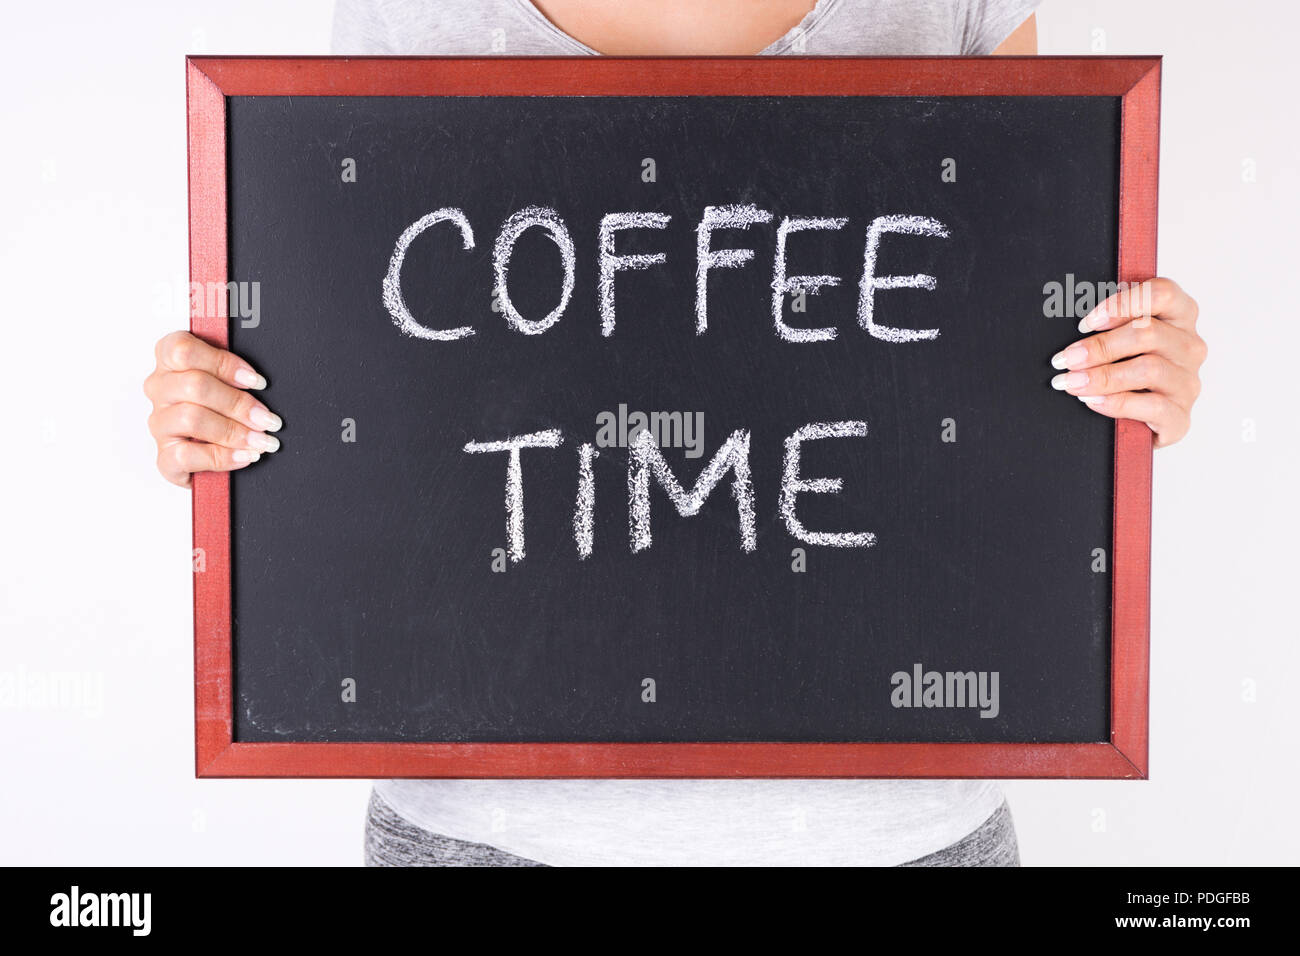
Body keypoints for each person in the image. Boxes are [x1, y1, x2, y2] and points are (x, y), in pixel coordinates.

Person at [144, 0, 1207, 866]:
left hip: (897, 834)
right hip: (487, 833)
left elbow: (1026, 353)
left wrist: (1134, 377)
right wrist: (219, 425)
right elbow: (358, 375)